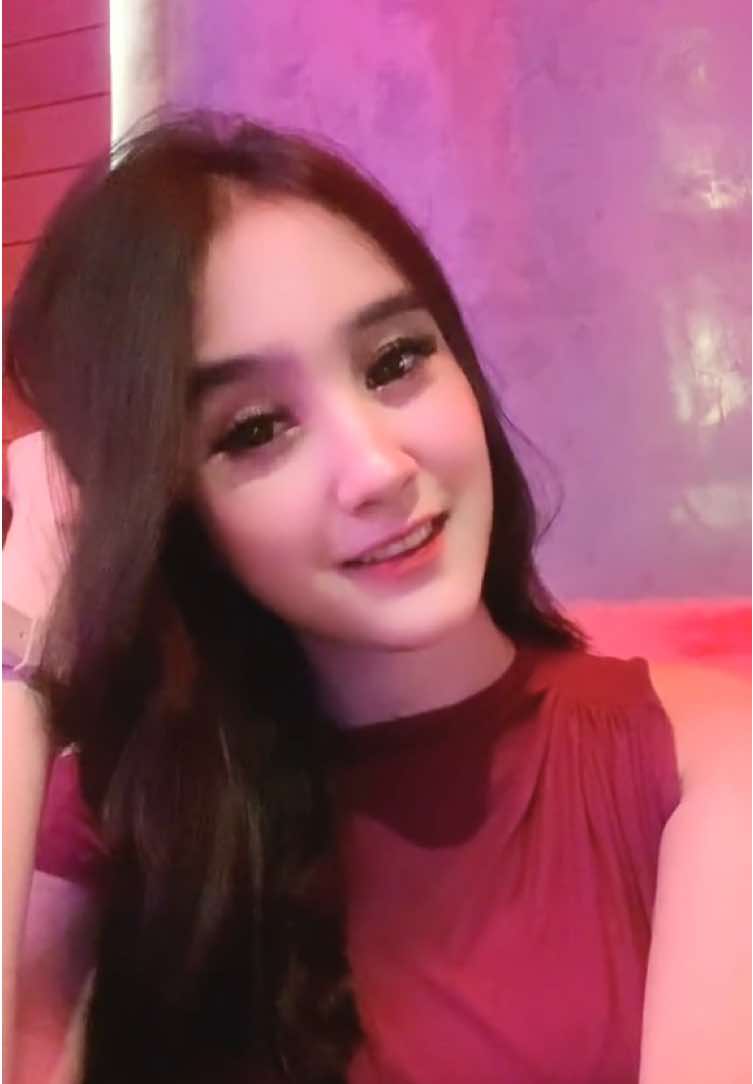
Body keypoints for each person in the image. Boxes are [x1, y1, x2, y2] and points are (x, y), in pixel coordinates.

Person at [2, 113, 749, 1084]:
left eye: (395, 361)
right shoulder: (131, 814)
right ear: (166, 506)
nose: (377, 469)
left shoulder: (701, 761)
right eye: (255, 429)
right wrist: (24, 660)